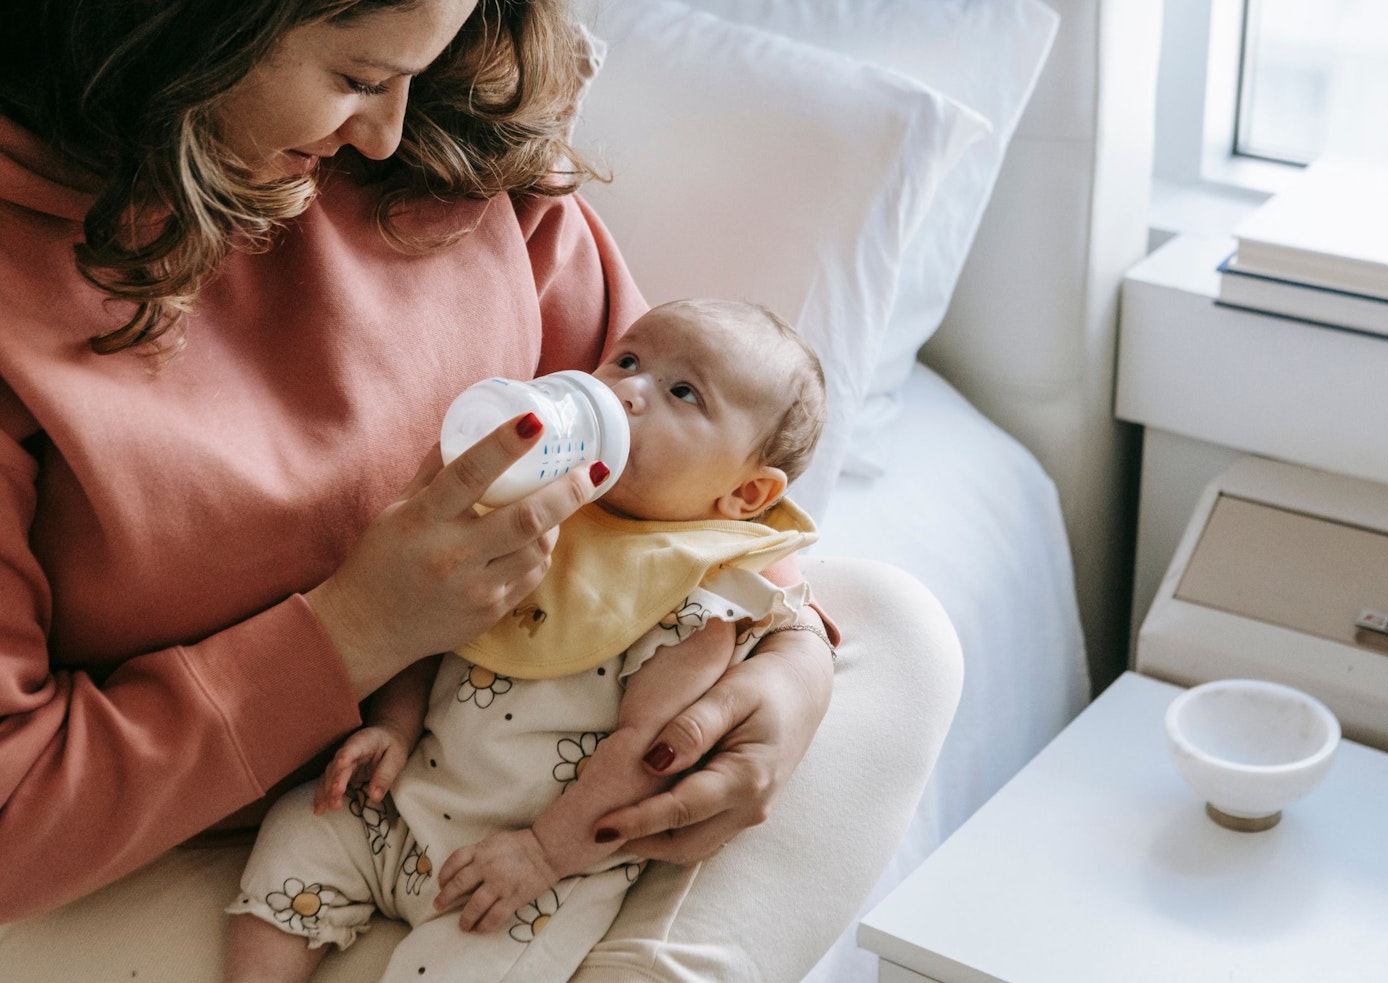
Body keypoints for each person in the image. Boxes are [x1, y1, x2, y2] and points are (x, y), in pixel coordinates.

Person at [0, 0, 837, 937]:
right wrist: (356, 630)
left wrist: (793, 664)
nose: (389, 129)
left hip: (497, 814)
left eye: (415, 71)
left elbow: (700, 480)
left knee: (918, 641)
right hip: (173, 861)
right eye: (358, 78)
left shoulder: (450, 143)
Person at [223, 298, 829, 982]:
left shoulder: (695, 596)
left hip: (525, 869)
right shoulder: (531, 503)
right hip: (402, 804)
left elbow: (645, 752)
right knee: (302, 828)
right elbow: (427, 622)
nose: (625, 390)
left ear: (746, 495)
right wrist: (394, 723)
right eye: (626, 360)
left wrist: (544, 853)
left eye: (682, 392)